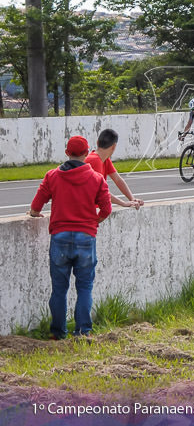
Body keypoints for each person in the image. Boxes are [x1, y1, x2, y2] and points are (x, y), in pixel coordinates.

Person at [28, 136, 112, 339]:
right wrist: (94, 221)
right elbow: (107, 209)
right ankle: (83, 331)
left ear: (67, 153)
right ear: (86, 154)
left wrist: (34, 214)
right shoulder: (96, 178)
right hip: (86, 236)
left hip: (60, 237)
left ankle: (58, 333)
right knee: (84, 287)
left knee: (59, 289)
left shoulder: (52, 176)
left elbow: (35, 206)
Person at [85, 129, 142, 209]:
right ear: (114, 146)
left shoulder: (104, 159)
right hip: (87, 209)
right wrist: (123, 203)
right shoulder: (95, 160)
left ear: (97, 142)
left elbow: (118, 180)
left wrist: (132, 199)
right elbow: (100, 190)